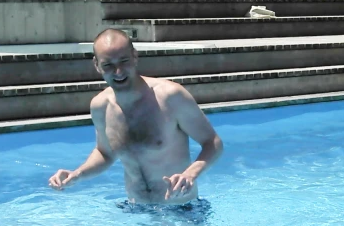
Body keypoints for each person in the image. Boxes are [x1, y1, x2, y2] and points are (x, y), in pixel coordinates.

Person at [48, 28, 223, 208]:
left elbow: (213, 142)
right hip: (136, 210)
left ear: (135, 57)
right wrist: (77, 174)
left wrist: (190, 175)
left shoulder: (170, 97)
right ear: (97, 65)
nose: (118, 72)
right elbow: (105, 152)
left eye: (124, 61)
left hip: (182, 208)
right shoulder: (100, 106)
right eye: (108, 65)